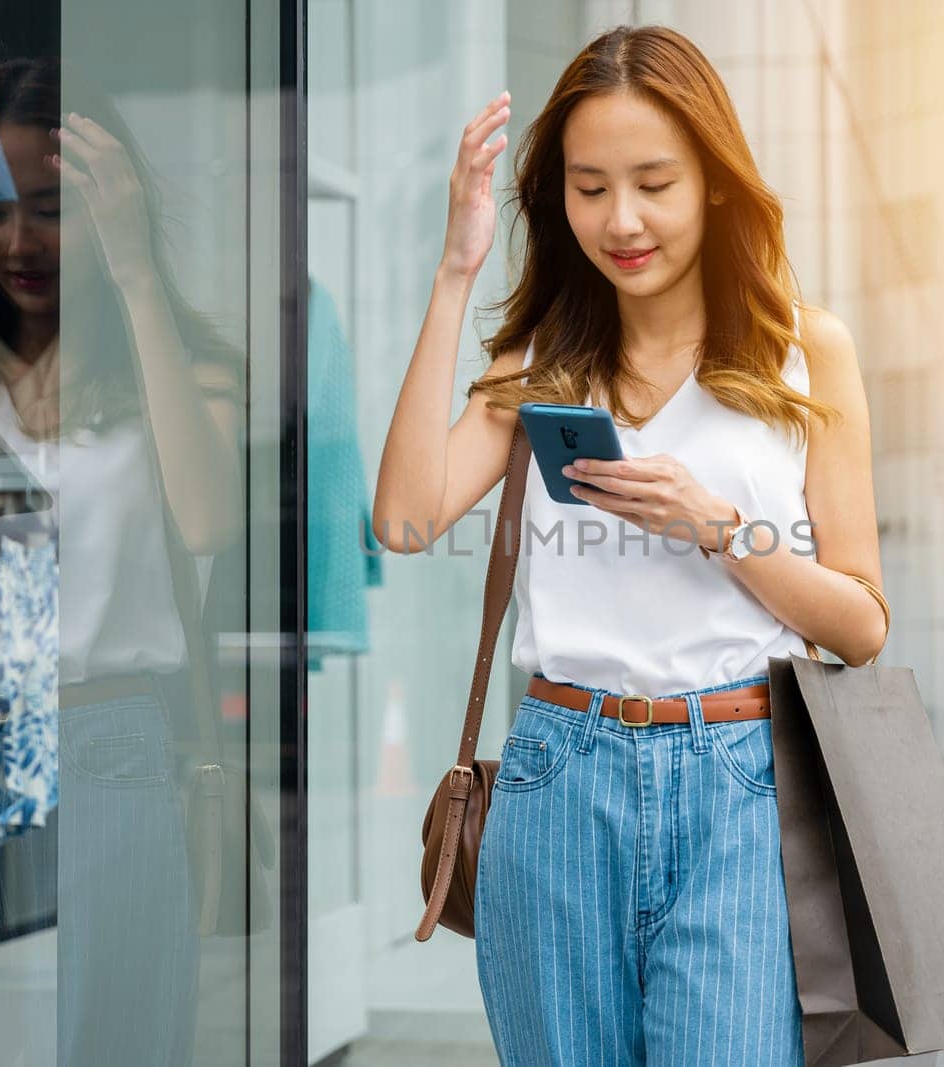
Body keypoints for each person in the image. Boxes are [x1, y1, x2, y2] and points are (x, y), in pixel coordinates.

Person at [372, 24, 887, 1067]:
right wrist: (454, 272)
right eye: (588, 185)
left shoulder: (804, 349)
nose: (621, 219)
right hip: (557, 780)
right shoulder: (544, 356)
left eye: (653, 182)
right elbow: (408, 517)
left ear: (713, 180)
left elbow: (863, 624)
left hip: (741, 785)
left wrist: (719, 530)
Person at [0, 56, 243, 1067]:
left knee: (104, 1040)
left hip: (102, 747)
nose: (18, 241)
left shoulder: (186, 370)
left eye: (52, 208)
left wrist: (129, 271)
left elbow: (208, 521)